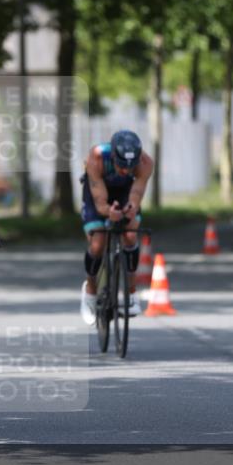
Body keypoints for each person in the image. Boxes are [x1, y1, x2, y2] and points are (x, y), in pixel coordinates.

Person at [79, 130, 154, 324]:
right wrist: (107, 211)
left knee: (130, 236)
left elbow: (137, 192)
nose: (125, 171)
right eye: (121, 166)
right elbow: (99, 200)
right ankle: (90, 292)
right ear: (113, 156)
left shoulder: (145, 163)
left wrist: (131, 208)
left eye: (130, 167)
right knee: (98, 244)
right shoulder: (96, 158)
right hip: (98, 190)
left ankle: (131, 293)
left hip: (125, 192)